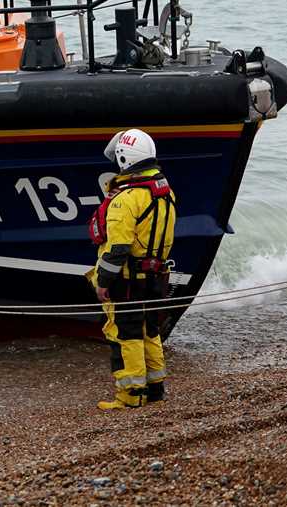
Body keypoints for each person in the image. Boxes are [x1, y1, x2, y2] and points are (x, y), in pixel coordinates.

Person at [88, 128, 177, 410]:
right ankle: (155, 390)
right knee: (150, 332)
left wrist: (102, 281)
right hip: (154, 277)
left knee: (124, 335)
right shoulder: (164, 193)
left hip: (126, 280)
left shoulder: (125, 200)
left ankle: (129, 395)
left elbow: (118, 248)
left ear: (125, 158)